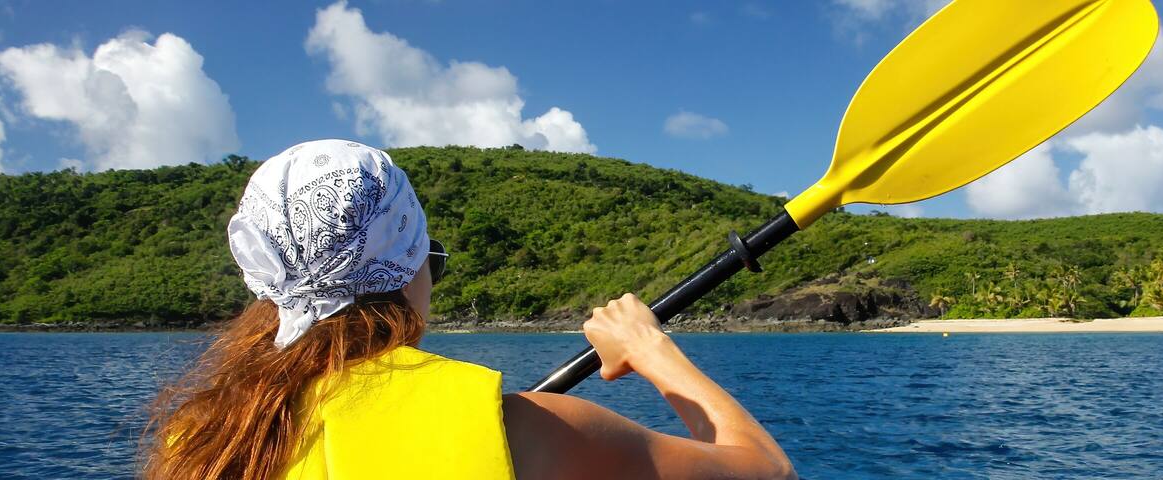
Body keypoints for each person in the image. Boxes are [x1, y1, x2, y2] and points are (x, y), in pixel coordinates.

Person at [142, 139, 793, 480]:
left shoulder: (201, 438)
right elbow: (767, 473)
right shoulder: (529, 431)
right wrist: (653, 350)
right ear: (406, 270)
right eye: (432, 258)